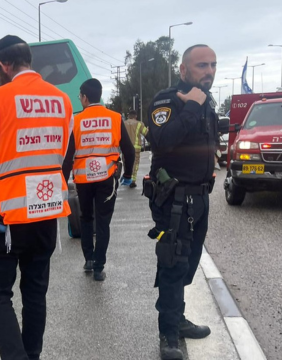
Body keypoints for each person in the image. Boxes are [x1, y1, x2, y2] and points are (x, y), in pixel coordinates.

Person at [0, 35, 73, 360]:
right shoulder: (62, 100)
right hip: (47, 211)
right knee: (36, 292)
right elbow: (60, 152)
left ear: (2, 64)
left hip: (6, 217)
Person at [144, 44, 218, 360]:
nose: (210, 71)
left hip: (200, 197)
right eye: (202, 65)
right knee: (173, 263)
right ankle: (168, 334)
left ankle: (179, 317)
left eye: (213, 65)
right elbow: (162, 140)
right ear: (184, 70)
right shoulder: (167, 100)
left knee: (188, 263)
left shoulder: (207, 102)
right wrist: (189, 108)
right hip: (174, 199)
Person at [62, 78, 135, 281]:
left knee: (86, 218)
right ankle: (99, 266)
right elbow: (128, 150)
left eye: (80, 97)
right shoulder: (114, 117)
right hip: (107, 178)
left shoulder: (76, 121)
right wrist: (128, 175)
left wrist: (61, 179)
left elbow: (68, 156)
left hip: (83, 180)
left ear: (85, 97)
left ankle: (88, 259)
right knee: (103, 222)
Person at [123, 110, 148, 188]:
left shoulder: (123, 123)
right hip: (135, 148)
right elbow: (146, 133)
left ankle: (127, 178)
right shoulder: (139, 124)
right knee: (135, 164)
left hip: (125, 148)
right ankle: (133, 181)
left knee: (126, 163)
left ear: (128, 116)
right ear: (135, 116)